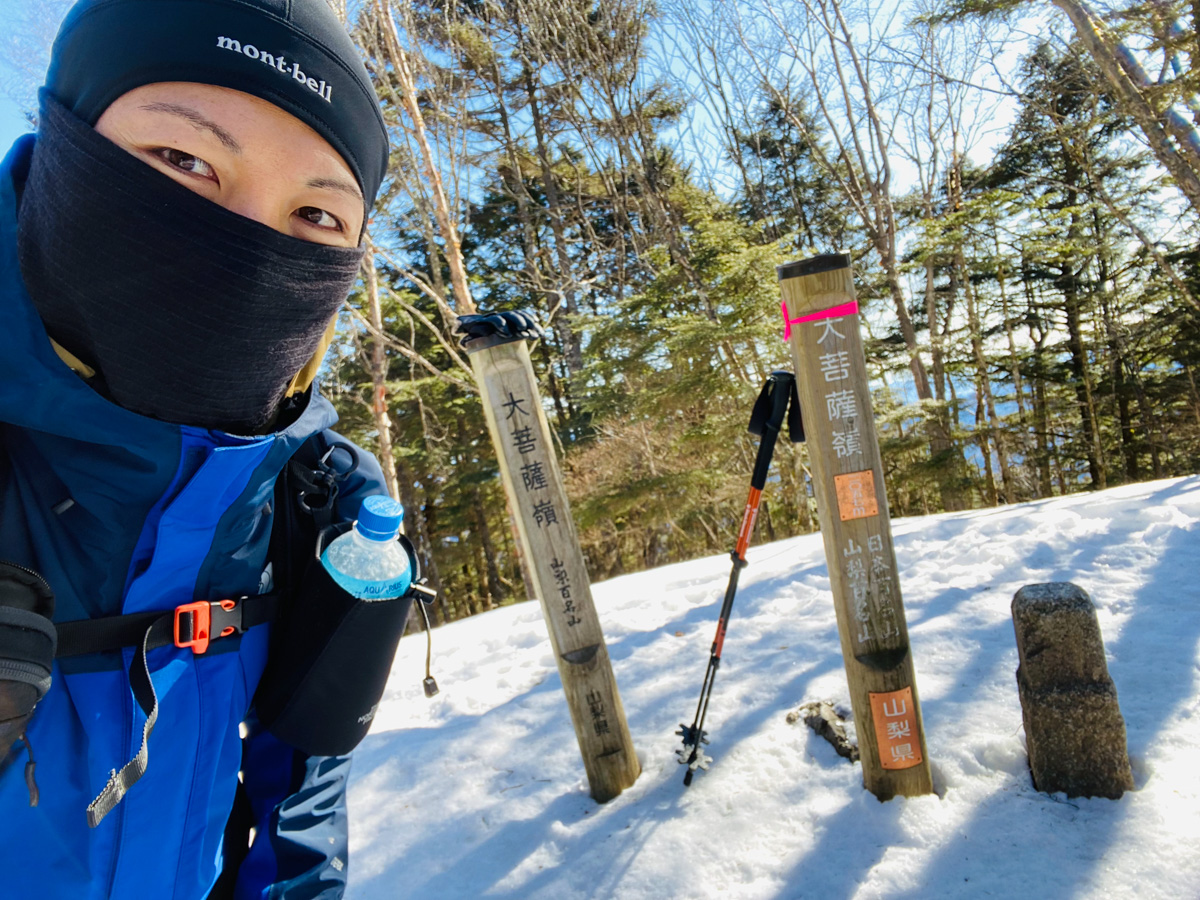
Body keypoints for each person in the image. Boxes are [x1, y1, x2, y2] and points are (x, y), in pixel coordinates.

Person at [0, 1, 409, 897]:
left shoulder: (318, 504)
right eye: (183, 160)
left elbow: (296, 812)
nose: (253, 244)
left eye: (316, 215)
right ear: (62, 139)